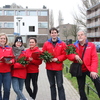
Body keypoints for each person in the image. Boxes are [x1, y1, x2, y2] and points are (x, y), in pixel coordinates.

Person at [70, 30, 100, 100]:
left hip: (89, 68)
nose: (80, 36)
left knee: (98, 82)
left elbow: (94, 58)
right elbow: (69, 55)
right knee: (81, 87)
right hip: (79, 69)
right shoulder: (74, 46)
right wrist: (74, 56)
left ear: (85, 36)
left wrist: (93, 70)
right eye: (78, 35)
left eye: (82, 34)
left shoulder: (91, 45)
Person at [42, 27, 66, 100]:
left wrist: (58, 59)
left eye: (55, 33)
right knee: (52, 85)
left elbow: (65, 55)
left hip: (58, 68)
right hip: (49, 68)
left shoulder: (62, 44)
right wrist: (46, 58)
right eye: (52, 33)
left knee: (59, 85)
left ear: (57, 33)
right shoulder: (46, 44)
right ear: (50, 34)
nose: (54, 34)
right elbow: (43, 53)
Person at [0, 33, 14, 100]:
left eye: (4, 38)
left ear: (6, 40)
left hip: (7, 72)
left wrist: (11, 61)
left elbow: (13, 58)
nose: (3, 40)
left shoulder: (9, 48)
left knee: (7, 89)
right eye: (1, 38)